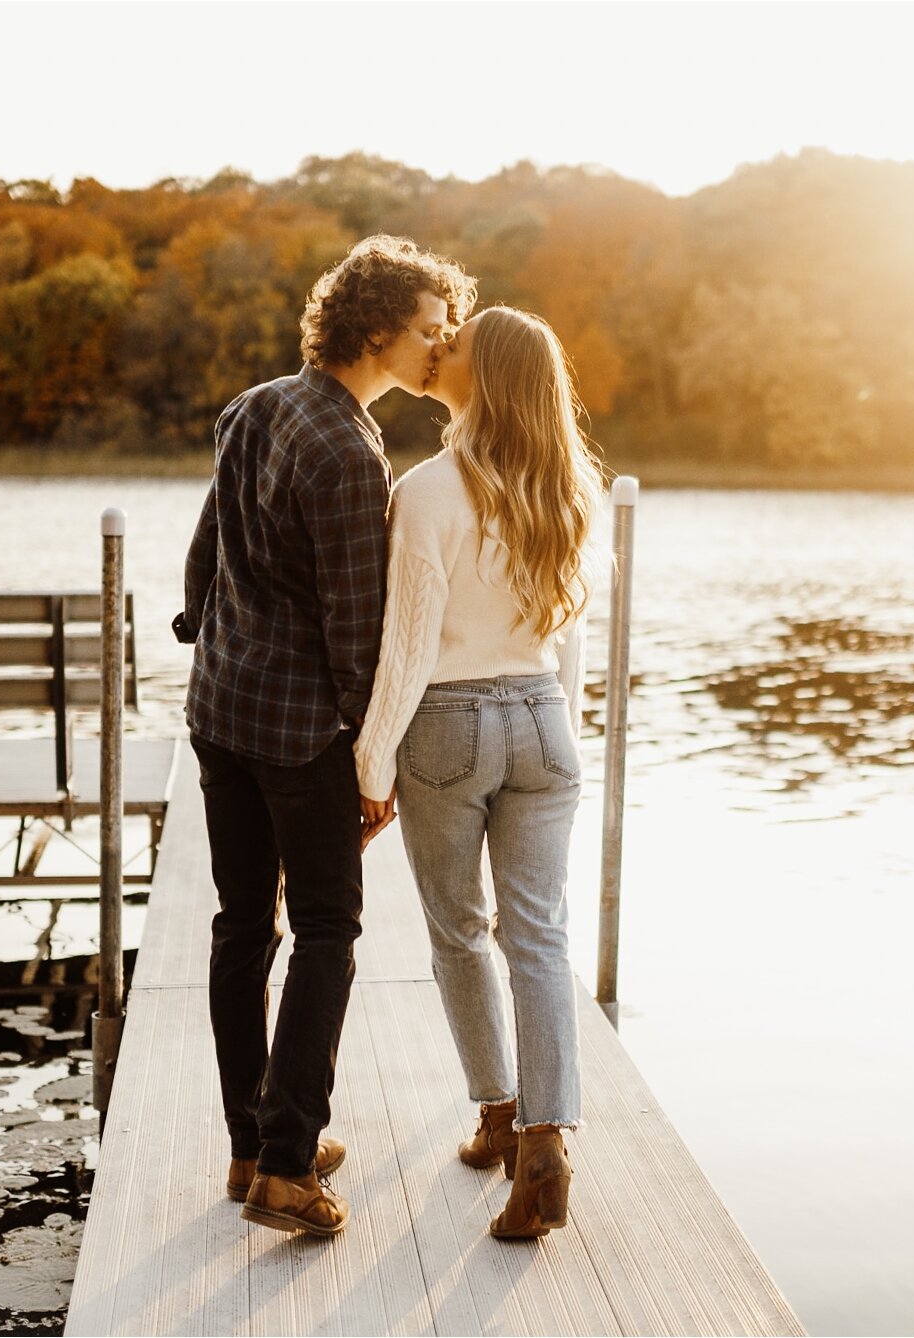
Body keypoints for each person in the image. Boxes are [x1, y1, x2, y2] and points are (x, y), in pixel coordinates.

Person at [175, 235, 474, 1237]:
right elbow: (357, 628)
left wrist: (202, 631)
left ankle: (248, 1142)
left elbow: (205, 550)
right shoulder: (351, 449)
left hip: (220, 713)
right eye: (429, 329)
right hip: (299, 730)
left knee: (239, 926)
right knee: (328, 931)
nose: (441, 346)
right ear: (378, 328)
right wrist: (371, 758)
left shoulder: (254, 406)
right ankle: (289, 1167)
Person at [354, 306, 605, 1239]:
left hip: (447, 725)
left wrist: (371, 765)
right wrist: (559, 733)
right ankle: (545, 1142)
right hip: (544, 720)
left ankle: (498, 1114)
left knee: (460, 933)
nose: (440, 349)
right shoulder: (570, 490)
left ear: (487, 378)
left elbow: (407, 648)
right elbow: (568, 645)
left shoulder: (426, 493)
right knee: (539, 939)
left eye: (455, 346)